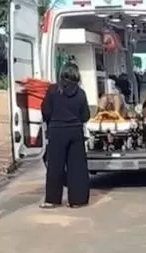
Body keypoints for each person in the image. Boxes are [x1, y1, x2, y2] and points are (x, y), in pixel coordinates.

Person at [41, 62, 91, 209]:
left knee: (55, 166)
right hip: (75, 131)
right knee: (77, 167)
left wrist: (53, 121)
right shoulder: (81, 93)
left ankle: (52, 200)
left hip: (57, 130)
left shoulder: (52, 90)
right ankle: (78, 200)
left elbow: (45, 111)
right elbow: (86, 115)